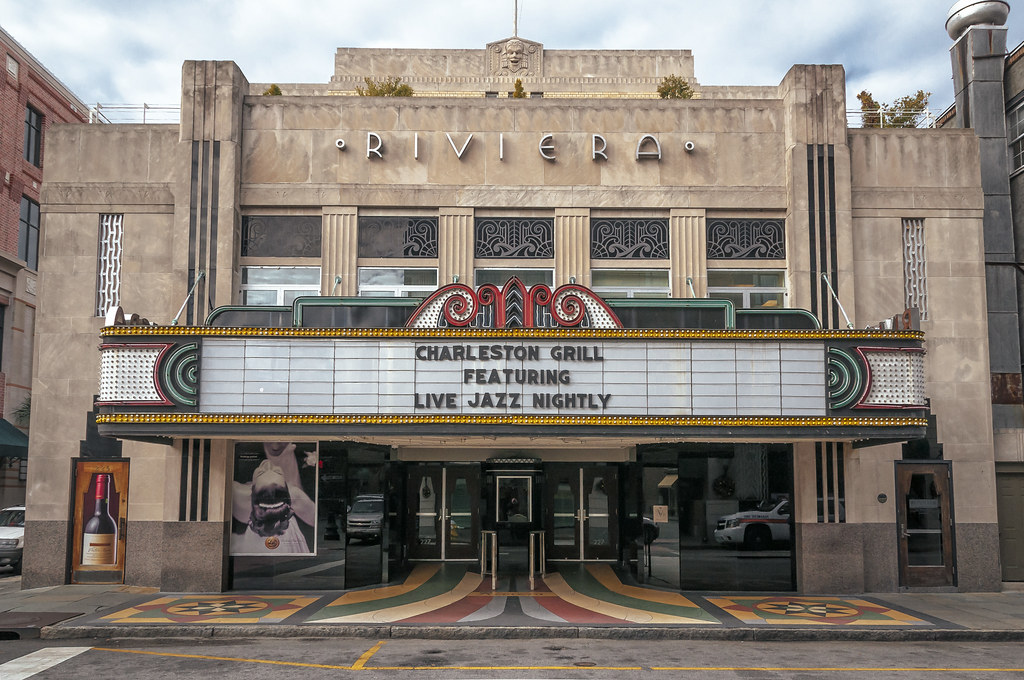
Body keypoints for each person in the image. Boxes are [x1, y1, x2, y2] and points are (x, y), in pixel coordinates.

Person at [230, 459, 310, 554]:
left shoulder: (238, 493)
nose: (268, 464)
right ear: (287, 490)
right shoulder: (295, 494)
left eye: (260, 473)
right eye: (278, 472)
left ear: (252, 489)